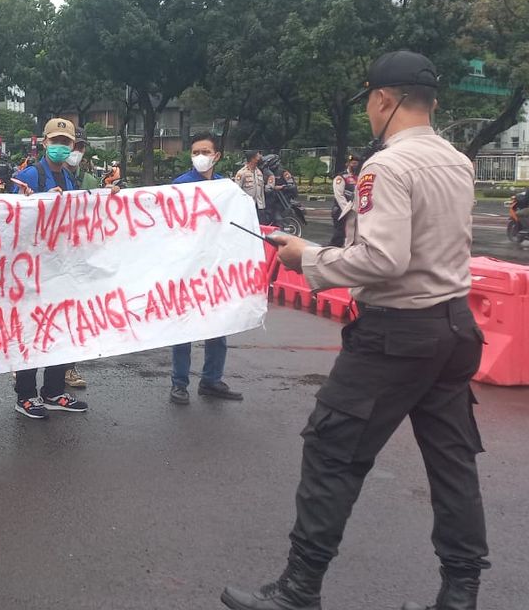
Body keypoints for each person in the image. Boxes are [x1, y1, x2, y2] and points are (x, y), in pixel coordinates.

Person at [222, 51, 489, 610]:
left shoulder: (387, 167)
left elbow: (383, 260)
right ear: (432, 101)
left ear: (384, 99)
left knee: (332, 450)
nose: (369, 111)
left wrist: (306, 258)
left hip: (396, 335)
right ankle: (460, 593)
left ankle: (299, 589)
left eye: (370, 100)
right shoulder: (456, 161)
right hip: (454, 327)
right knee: (452, 461)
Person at [10, 118, 89, 418]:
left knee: (60, 329)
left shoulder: (69, 178)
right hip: (32, 271)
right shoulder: (30, 174)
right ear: (44, 143)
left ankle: (54, 391)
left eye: (66, 142)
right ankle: (25, 395)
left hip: (60, 268)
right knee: (32, 331)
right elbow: (13, 217)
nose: (60, 147)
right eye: (55, 141)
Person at [170, 133, 243, 405]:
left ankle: (211, 380)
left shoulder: (226, 187)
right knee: (183, 329)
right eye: (195, 151)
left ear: (216, 156)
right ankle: (179, 384)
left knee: (217, 327)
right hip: (187, 269)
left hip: (216, 270)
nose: (200, 156)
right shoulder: (180, 186)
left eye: (205, 151)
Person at [329, 155, 360, 247]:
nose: (355, 165)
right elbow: (339, 196)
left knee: (352, 236)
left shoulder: (357, 177)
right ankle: (329, 254)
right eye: (353, 163)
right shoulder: (340, 177)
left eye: (356, 164)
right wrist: (347, 210)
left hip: (354, 211)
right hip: (341, 211)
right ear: (348, 164)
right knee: (339, 236)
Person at [235, 151, 267, 224]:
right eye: (258, 156)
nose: (260, 158)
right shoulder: (242, 173)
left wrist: (263, 205)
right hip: (247, 206)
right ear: (252, 159)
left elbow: (261, 191)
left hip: (259, 206)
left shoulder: (259, 172)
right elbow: (237, 190)